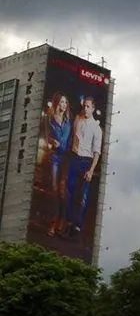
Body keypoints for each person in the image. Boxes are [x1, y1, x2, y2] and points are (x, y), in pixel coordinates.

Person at [65, 96, 103, 237]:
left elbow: (97, 152)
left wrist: (91, 170)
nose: (85, 109)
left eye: (88, 106)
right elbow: (72, 137)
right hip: (74, 159)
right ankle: (69, 223)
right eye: (84, 106)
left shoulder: (96, 128)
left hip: (86, 162)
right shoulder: (78, 120)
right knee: (69, 192)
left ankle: (77, 228)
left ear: (93, 108)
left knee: (83, 196)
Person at [43, 92, 72, 236]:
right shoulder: (50, 119)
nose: (64, 105)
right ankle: (53, 223)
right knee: (54, 190)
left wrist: (61, 146)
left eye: (65, 102)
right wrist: (52, 142)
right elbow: (48, 138)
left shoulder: (68, 122)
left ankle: (62, 220)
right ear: (57, 103)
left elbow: (70, 143)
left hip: (66, 158)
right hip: (55, 157)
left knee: (62, 190)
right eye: (61, 102)